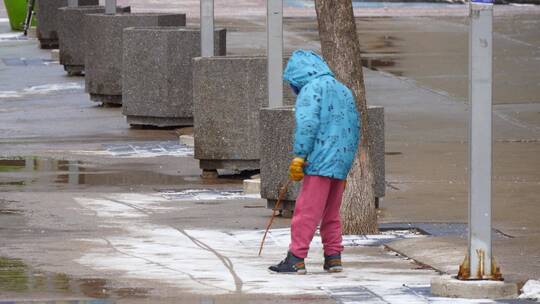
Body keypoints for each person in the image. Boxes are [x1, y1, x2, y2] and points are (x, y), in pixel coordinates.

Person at [269, 50, 360, 275]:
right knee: (331, 212)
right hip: (341, 161)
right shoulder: (343, 89)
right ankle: (333, 256)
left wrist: (300, 155)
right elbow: (355, 124)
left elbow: (307, 124)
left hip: (319, 161)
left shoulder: (311, 89)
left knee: (306, 211)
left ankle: (296, 258)